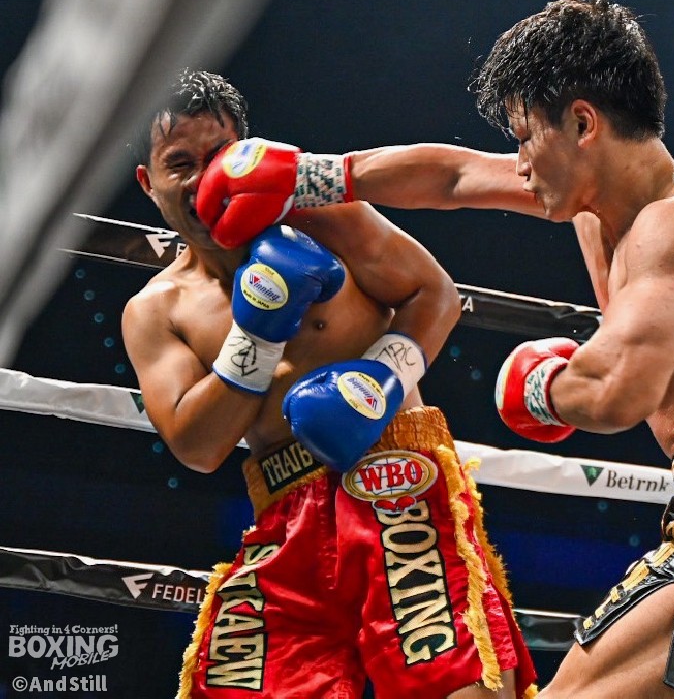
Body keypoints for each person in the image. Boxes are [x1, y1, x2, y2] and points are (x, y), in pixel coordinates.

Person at [193, 0, 674, 699]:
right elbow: (453, 176)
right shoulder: (599, 203)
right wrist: (312, 176)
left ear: (583, 123)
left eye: (525, 136)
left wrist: (538, 384)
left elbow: (614, 390)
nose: (520, 163)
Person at [121, 68, 537, 699]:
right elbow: (197, 445)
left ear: (245, 152)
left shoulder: (320, 215)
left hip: (395, 475)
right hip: (284, 514)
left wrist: (381, 378)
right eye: (181, 164)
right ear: (148, 182)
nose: (206, 179)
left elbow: (434, 293)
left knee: (460, 683)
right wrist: (257, 332)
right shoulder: (157, 310)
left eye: (219, 155)